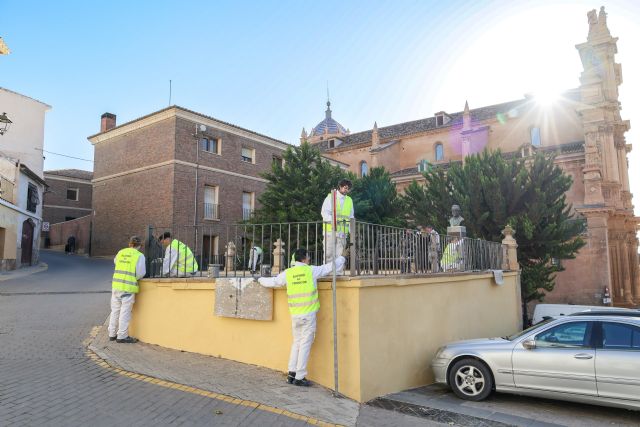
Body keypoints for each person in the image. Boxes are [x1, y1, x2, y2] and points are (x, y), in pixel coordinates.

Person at [258, 248, 345, 386]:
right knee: (304, 344)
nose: (309, 259)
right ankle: (300, 377)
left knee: (297, 343)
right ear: (304, 259)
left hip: (295, 315)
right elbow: (330, 267)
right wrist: (342, 258)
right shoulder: (310, 271)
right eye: (308, 257)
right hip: (308, 315)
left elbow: (273, 282)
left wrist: (259, 279)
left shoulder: (289, 273)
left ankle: (291, 373)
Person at [108, 236, 146, 343]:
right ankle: (122, 336)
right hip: (128, 288)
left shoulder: (120, 252)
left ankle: (112, 334)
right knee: (125, 312)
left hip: (116, 285)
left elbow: (116, 262)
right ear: (139, 246)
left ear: (130, 244)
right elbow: (140, 273)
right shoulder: (139, 255)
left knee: (115, 310)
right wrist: (133, 278)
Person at [321, 179, 354, 263]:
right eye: (345, 188)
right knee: (329, 254)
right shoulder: (330, 197)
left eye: (348, 188)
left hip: (342, 233)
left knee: (340, 255)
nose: (347, 190)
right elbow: (324, 213)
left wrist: (352, 232)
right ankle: (328, 273)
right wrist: (334, 222)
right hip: (330, 231)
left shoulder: (349, 200)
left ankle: (338, 273)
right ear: (340, 187)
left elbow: (351, 216)